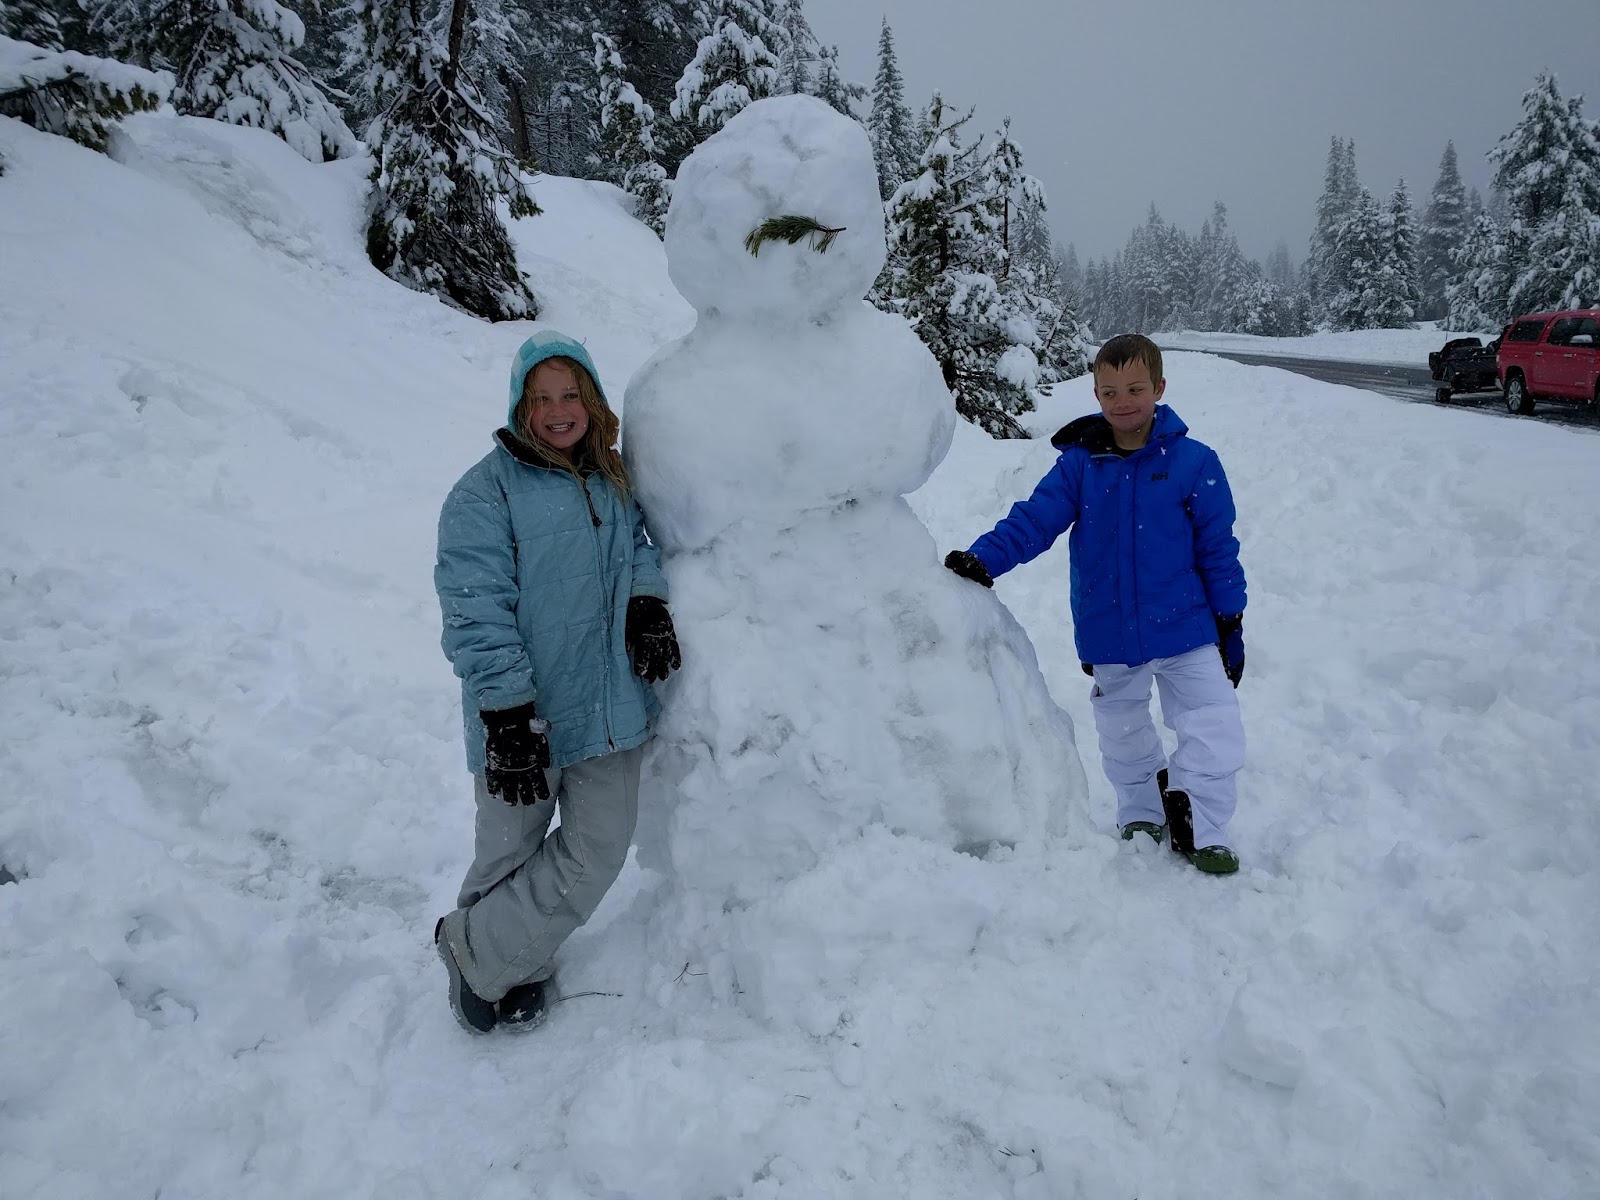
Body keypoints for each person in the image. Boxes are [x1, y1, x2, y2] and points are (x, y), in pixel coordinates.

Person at [431, 331, 680, 1033]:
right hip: (523, 715)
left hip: (608, 708)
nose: (558, 410)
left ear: (590, 399)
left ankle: (473, 948)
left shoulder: (609, 478)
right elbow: (475, 610)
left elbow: (638, 545)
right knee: (508, 851)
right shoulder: (482, 495)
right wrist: (506, 715)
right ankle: (516, 963)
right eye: (541, 398)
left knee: (598, 847)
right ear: (521, 406)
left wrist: (647, 601)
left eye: (570, 394)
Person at [944, 333, 1248, 875]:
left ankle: (1201, 824)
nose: (1122, 402)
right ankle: (1141, 811)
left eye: (1135, 389)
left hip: (1188, 628)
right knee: (1122, 730)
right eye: (1109, 392)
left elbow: (1217, 549)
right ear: (1095, 393)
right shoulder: (1080, 465)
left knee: (1213, 724)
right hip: (1110, 630)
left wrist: (1230, 621)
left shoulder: (1193, 462)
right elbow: (1035, 519)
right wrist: (984, 558)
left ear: (1159, 388)